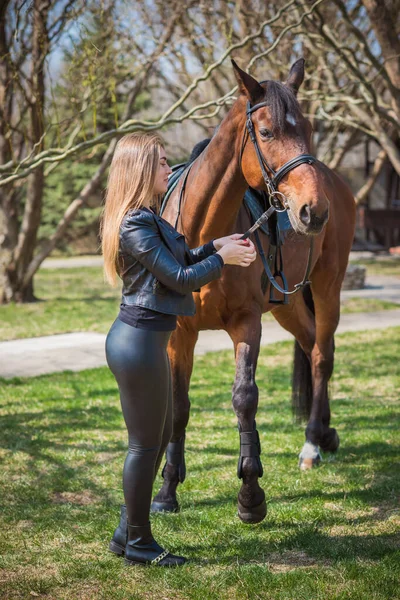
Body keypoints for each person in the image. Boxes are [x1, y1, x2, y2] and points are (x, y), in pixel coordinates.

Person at [100, 132, 257, 567]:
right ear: (141, 170)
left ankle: (124, 534)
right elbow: (181, 279)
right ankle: (140, 544)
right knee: (144, 447)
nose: (171, 170)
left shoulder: (150, 218)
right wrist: (222, 262)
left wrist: (217, 246)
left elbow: (184, 256)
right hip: (138, 344)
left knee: (155, 439)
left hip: (148, 341)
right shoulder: (133, 223)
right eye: (164, 163)